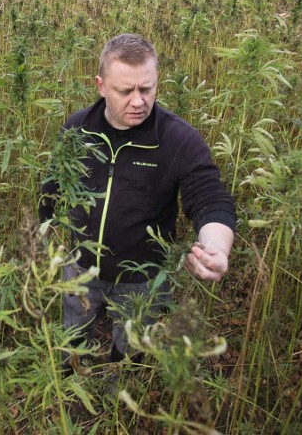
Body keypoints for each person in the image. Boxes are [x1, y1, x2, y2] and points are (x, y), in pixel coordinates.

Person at [39, 33, 236, 365]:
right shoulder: (77, 129)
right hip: (80, 268)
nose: (138, 101)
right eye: (125, 91)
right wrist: (43, 238)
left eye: (147, 89)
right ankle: (72, 385)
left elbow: (210, 197)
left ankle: (118, 391)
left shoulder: (177, 139)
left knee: (130, 353)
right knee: (71, 341)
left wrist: (216, 246)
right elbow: (53, 186)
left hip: (143, 279)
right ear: (101, 85)